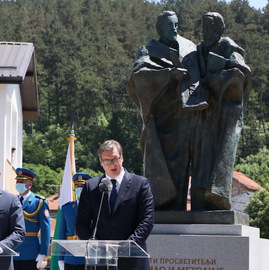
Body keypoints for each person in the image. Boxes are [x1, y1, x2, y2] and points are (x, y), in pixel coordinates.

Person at [127, 10, 204, 210]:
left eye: (177, 25)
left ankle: (180, 206)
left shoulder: (190, 48)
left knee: (184, 163)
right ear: (159, 28)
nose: (174, 29)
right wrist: (169, 74)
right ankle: (162, 206)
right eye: (170, 26)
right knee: (162, 163)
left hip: (189, 116)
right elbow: (139, 76)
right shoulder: (148, 50)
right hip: (162, 119)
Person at [188, 11, 252, 210]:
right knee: (200, 156)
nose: (206, 32)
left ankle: (218, 197)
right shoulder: (197, 51)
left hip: (223, 114)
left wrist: (215, 78)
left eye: (210, 28)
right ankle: (198, 199)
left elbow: (241, 77)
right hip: (203, 112)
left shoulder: (229, 49)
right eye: (204, 28)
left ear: (220, 29)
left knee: (219, 156)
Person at [75, 140, 154, 270]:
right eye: (107, 161)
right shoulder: (91, 187)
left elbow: (147, 221)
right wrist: (95, 246)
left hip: (132, 260)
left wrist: (127, 245)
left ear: (122, 158)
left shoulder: (140, 184)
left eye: (115, 159)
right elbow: (81, 223)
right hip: (100, 261)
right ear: (101, 162)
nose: (112, 164)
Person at [13, 167, 50, 270]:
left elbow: (45, 229)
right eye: (17, 181)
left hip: (31, 251)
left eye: (22, 181)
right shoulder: (13, 201)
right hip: (13, 250)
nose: (18, 183)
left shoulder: (38, 202)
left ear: (30, 184)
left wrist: (43, 252)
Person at [58, 172, 92, 270]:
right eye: (77, 186)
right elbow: (62, 233)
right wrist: (60, 257)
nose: (79, 188)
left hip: (88, 256)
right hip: (70, 256)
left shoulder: (95, 208)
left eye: (82, 186)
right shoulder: (67, 208)